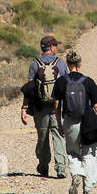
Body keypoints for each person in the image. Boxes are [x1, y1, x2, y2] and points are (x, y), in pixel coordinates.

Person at [54, 48, 97, 194]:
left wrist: (59, 124)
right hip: (88, 121)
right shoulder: (88, 81)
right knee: (89, 154)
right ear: (80, 63)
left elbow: (57, 105)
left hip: (70, 120)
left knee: (72, 152)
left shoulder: (61, 82)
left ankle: (76, 173)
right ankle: (88, 189)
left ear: (67, 63)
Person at [20, 34, 68, 179]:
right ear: (52, 47)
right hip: (57, 106)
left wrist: (24, 107)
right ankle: (60, 168)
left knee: (42, 136)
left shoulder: (35, 64)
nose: (56, 48)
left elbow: (29, 88)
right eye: (56, 46)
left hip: (40, 107)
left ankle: (43, 166)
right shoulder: (60, 63)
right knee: (59, 135)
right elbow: (66, 84)